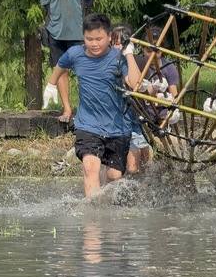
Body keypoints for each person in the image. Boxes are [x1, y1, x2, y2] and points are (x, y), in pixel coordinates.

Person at [42, 14, 142, 198]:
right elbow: (60, 65)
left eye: (99, 39)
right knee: (90, 167)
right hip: (88, 125)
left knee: (114, 175)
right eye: (89, 39)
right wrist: (51, 84)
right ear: (83, 37)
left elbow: (135, 84)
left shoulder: (118, 58)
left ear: (109, 37)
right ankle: (92, 219)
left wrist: (129, 55)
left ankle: (108, 208)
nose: (94, 44)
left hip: (118, 127)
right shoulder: (75, 54)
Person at [39, 0, 95, 117]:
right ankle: (67, 109)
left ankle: (87, 110)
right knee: (60, 71)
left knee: (84, 71)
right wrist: (48, 27)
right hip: (56, 31)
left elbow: (88, 4)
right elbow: (46, 5)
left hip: (78, 32)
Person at [121, 26, 180, 174]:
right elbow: (131, 84)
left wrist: (166, 100)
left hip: (159, 120)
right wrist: (150, 90)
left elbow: (175, 98)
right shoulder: (138, 64)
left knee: (154, 163)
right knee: (133, 166)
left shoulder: (169, 68)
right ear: (142, 49)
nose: (153, 55)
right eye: (149, 50)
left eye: (157, 51)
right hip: (138, 118)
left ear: (163, 50)